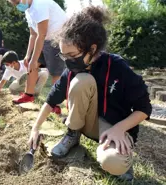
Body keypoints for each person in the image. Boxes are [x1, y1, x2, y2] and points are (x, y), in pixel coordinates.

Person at [27, 6, 152, 181]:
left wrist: (119, 128)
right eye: (64, 56)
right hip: (86, 124)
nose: (68, 61)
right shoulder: (72, 70)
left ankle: (119, 155)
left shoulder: (118, 67)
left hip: (113, 128)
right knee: (82, 80)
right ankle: (73, 134)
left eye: (72, 55)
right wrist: (35, 128)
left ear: (92, 49)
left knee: (114, 163)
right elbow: (51, 100)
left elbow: (144, 108)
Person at [8, 0, 67, 115]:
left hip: (58, 39)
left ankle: (55, 105)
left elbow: (42, 34)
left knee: (56, 72)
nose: (17, 5)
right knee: (31, 63)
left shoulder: (40, 4)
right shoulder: (28, 11)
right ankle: (28, 95)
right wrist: (28, 55)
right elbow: (33, 34)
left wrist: (34, 59)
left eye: (17, 2)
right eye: (14, 4)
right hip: (44, 38)